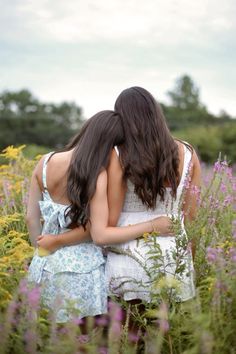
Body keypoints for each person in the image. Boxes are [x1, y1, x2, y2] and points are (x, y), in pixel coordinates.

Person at [26, 110, 172, 323]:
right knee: (83, 339)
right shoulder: (97, 174)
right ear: (110, 146)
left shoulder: (45, 162)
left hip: (43, 266)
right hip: (82, 271)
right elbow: (97, 230)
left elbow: (31, 217)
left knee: (46, 334)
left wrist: (41, 249)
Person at [105, 87, 201, 303]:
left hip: (127, 257)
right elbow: (192, 218)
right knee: (168, 333)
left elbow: (110, 220)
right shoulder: (188, 153)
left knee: (128, 333)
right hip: (173, 256)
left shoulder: (118, 154)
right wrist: (187, 262)